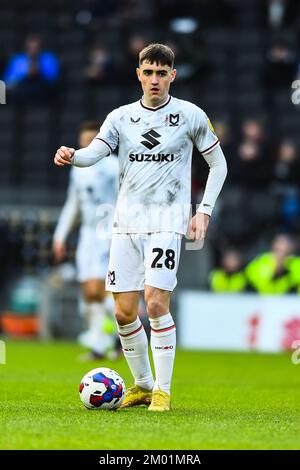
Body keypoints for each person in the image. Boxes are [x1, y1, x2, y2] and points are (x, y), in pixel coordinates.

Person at [54, 43, 227, 411]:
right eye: (148, 72)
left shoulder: (190, 115)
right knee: (122, 312)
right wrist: (72, 155)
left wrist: (204, 211)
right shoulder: (120, 117)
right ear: (138, 73)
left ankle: (163, 390)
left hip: (167, 222)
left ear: (172, 76)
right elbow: (95, 153)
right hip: (125, 224)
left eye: (161, 73)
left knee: (155, 303)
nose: (154, 80)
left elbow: (219, 165)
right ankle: (143, 385)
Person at [53, 121, 119, 360]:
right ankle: (102, 344)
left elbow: (124, 199)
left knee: (100, 290)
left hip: (108, 232)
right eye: (86, 140)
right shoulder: (77, 167)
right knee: (89, 292)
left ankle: (120, 336)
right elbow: (73, 204)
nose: (90, 144)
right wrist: (60, 236)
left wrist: (118, 230)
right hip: (87, 235)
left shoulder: (114, 166)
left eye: (94, 140)